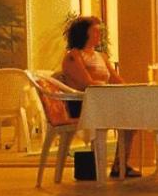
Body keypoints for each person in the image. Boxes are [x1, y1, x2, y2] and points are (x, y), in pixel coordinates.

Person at [56, 16, 138, 178]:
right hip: (83, 105)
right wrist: (106, 88)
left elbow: (116, 80)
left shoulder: (102, 56)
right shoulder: (73, 56)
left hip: (103, 102)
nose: (99, 35)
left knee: (132, 117)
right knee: (127, 115)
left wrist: (131, 90)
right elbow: (87, 83)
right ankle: (116, 166)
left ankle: (120, 164)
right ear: (84, 33)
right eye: (94, 31)